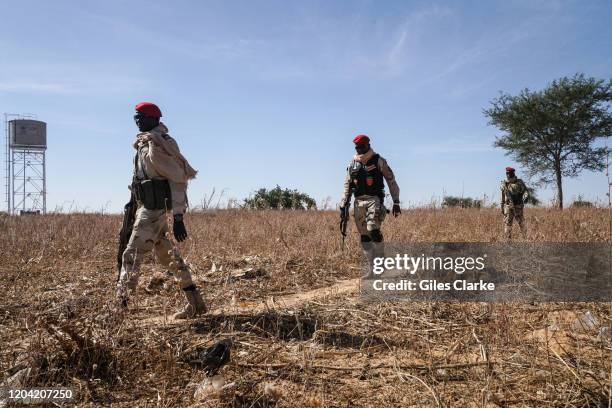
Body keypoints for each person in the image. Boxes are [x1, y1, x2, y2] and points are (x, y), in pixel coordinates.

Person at [116, 102, 206, 319]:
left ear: (154, 119)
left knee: (131, 255)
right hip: (145, 207)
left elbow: (178, 180)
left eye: (142, 116)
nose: (137, 120)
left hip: (154, 210)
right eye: (136, 116)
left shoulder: (162, 144)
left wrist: (178, 216)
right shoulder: (143, 143)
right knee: (169, 257)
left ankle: (118, 310)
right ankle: (196, 304)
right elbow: (140, 179)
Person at [340, 134, 401, 278]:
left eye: (362, 147)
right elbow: (347, 186)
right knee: (365, 236)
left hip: (375, 199)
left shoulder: (379, 161)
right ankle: (372, 269)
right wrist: (343, 205)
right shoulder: (352, 165)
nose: (360, 149)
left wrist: (396, 201)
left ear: (368, 145)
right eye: (357, 147)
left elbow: (391, 181)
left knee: (373, 228)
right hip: (358, 202)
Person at [500, 166, 529, 239]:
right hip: (508, 207)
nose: (508, 175)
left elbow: (525, 191)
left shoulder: (519, 182)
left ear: (513, 173)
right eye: (507, 173)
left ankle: (525, 238)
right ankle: (508, 240)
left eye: (510, 173)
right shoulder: (504, 184)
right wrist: (502, 207)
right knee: (508, 224)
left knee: (522, 222)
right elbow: (503, 197)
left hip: (518, 206)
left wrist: (525, 197)